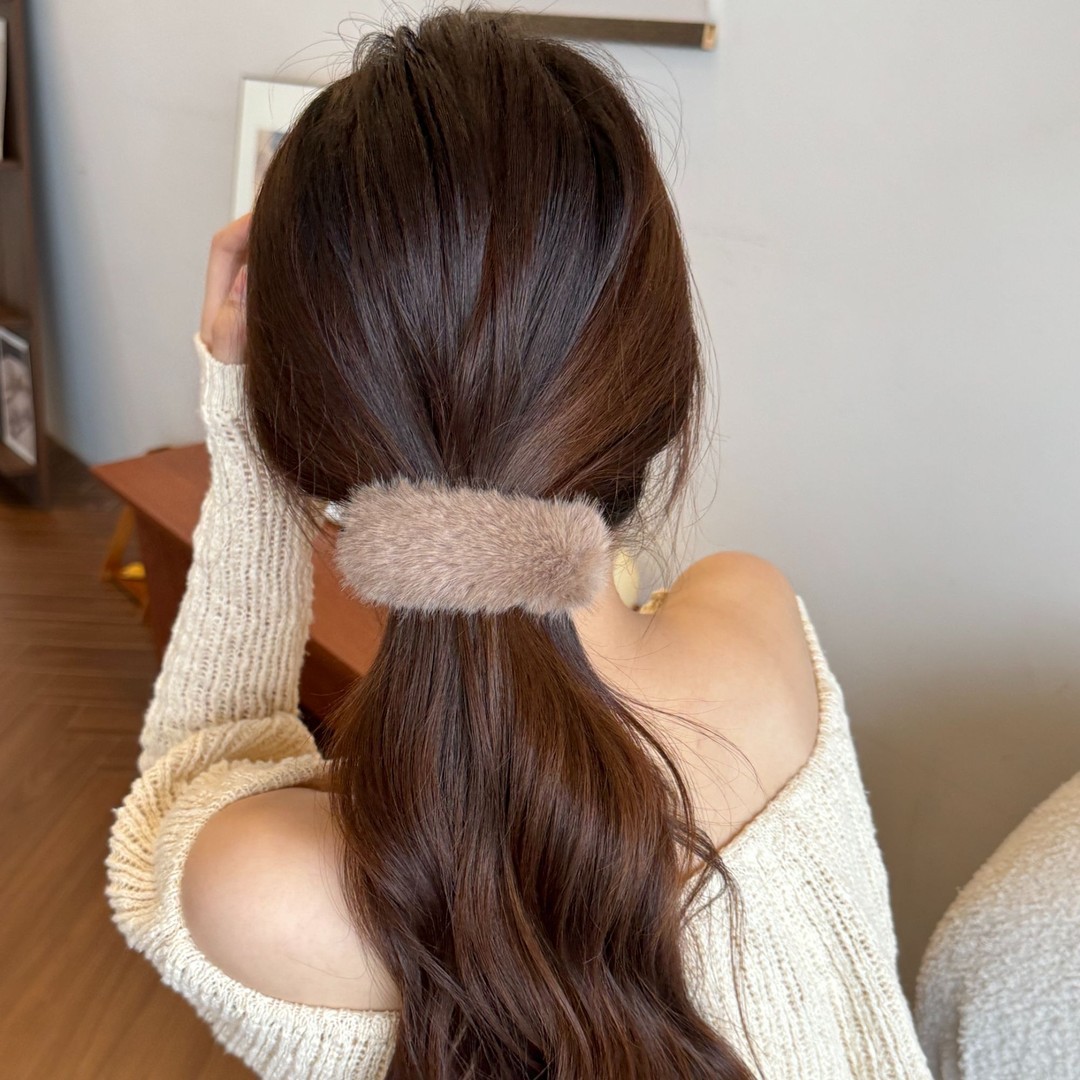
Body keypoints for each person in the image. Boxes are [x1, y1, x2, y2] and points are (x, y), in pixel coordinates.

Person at [104, 7, 933, 1078]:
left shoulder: (260, 892)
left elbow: (191, 780)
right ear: (656, 378)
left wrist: (238, 422)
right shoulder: (754, 623)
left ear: (301, 421)